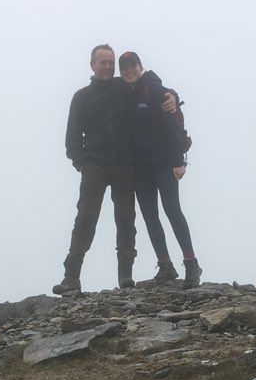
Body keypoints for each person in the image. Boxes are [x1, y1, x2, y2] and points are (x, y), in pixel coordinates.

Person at [53, 44, 137, 295]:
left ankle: (126, 277)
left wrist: (173, 95)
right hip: (94, 167)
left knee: (126, 220)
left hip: (124, 166)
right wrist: (82, 164)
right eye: (103, 62)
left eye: (111, 62)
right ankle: (71, 278)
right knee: (85, 220)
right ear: (92, 65)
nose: (108, 66)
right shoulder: (82, 97)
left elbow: (153, 85)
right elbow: (72, 137)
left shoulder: (126, 89)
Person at [118, 51, 202, 289]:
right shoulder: (123, 92)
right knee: (150, 216)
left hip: (164, 163)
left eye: (132, 66)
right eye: (124, 67)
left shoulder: (152, 88)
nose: (128, 70)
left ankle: (191, 265)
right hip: (140, 168)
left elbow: (169, 125)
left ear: (140, 66)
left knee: (172, 210)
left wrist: (178, 161)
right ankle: (165, 266)